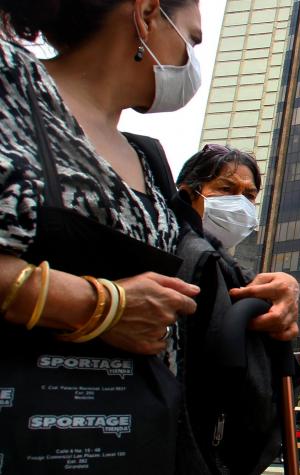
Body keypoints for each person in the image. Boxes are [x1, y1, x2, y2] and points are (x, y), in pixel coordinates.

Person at [0, 1, 205, 472]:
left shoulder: (148, 160)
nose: (191, 61)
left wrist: (259, 299)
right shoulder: (12, 86)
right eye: (191, 40)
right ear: (147, 15)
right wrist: (103, 306)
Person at [170, 145, 299, 474]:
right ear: (189, 192)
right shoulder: (174, 251)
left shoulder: (234, 272)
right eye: (226, 189)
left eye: (249, 195)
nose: (239, 202)